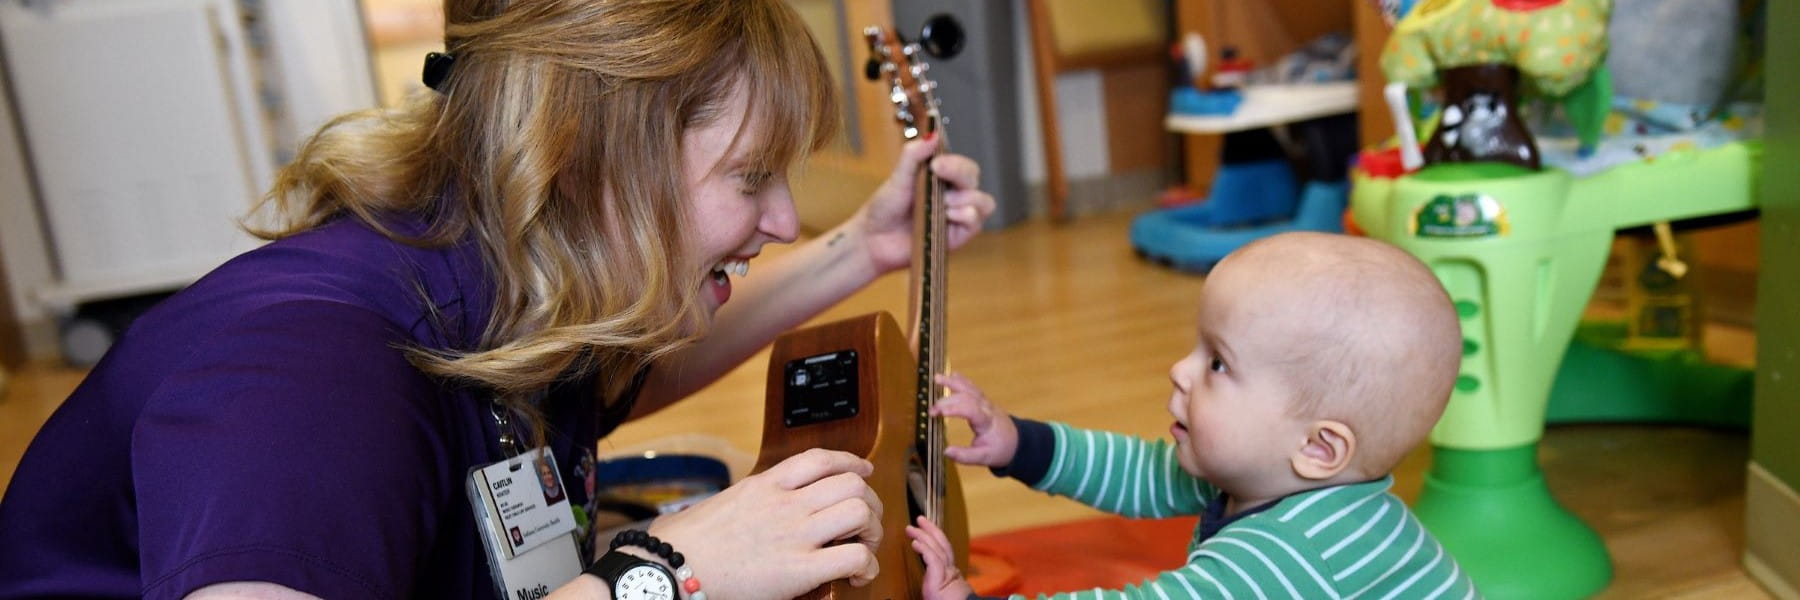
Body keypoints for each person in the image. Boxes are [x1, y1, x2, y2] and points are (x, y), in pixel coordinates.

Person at [0, 1, 995, 599]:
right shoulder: (305, 374)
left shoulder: (513, 274)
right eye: (749, 176)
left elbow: (609, 384)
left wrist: (858, 252)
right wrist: (658, 573)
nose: (782, 216)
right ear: (585, 159)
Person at [906, 233, 1481, 599]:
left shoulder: (1287, 554)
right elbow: (1138, 474)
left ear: (1318, 449)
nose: (1180, 369)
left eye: (1219, 364)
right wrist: (1017, 444)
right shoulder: (1266, 475)